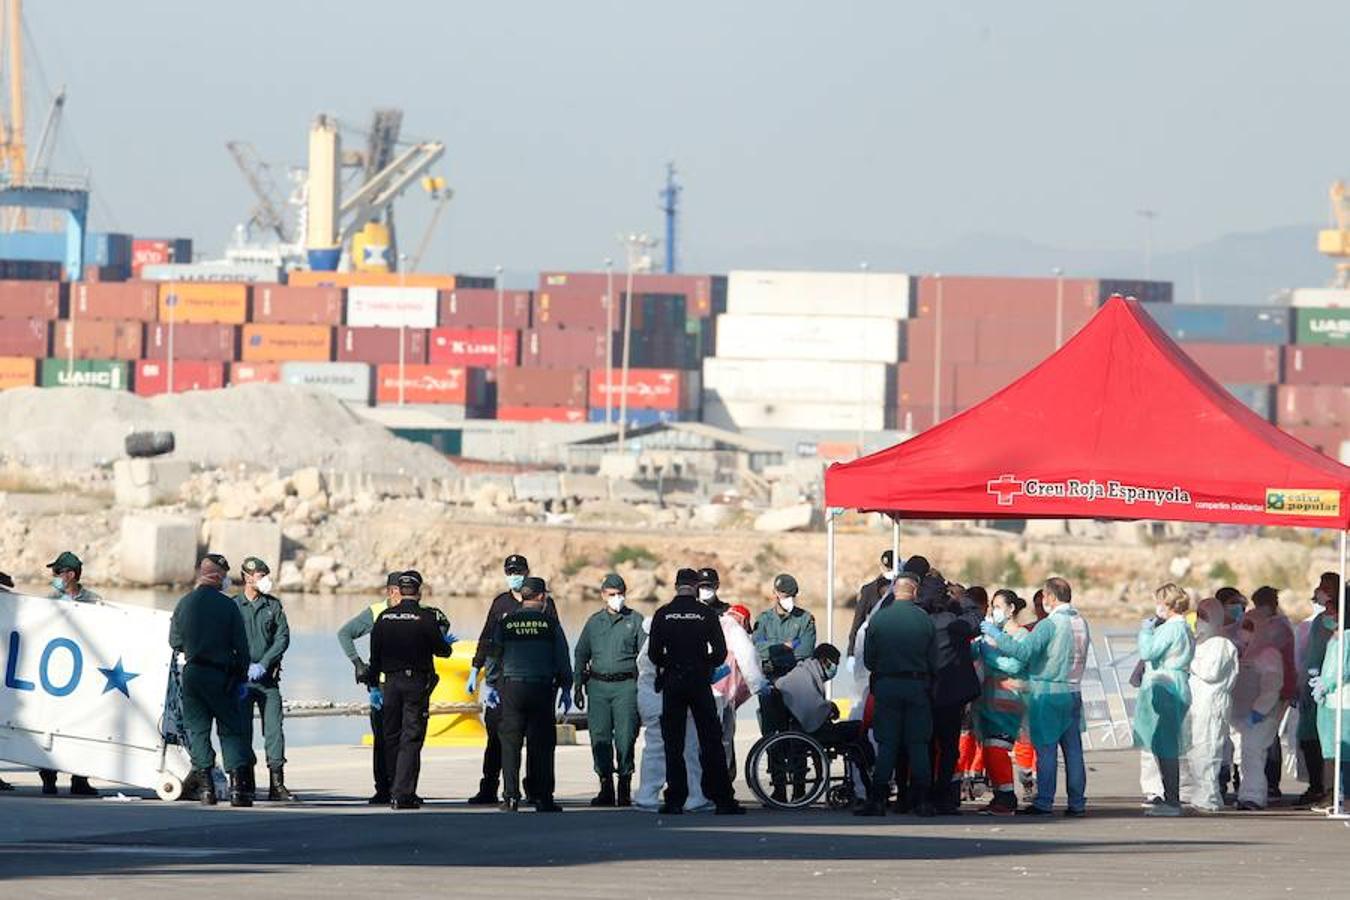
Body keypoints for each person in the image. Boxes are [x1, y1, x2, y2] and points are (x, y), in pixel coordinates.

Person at [982, 577, 1090, 817]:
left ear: (1050, 597)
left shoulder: (1049, 625)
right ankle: (1077, 802)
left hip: (1048, 692)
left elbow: (1023, 651)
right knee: (1073, 751)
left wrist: (994, 636)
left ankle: (1044, 802)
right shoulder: (1081, 622)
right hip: (1074, 690)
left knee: (1046, 749)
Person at [647, 568, 745, 815]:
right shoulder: (705, 613)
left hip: (673, 681)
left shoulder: (663, 614)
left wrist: (671, 664)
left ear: (676, 585)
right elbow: (721, 652)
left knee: (674, 743)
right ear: (694, 586)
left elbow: (653, 654)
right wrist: (704, 663)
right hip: (700, 682)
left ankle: (674, 801)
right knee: (711, 741)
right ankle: (723, 800)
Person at [466, 554, 558, 805]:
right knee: (498, 736)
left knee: (536, 738)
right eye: (510, 571)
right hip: (504, 683)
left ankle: (533, 790)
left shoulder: (545, 603)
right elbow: (487, 640)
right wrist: (477, 669)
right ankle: (489, 787)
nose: (514, 575)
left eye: (518, 571)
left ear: (527, 572)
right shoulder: (501, 604)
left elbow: (555, 640)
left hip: (536, 681)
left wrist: (560, 680)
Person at [169, 553, 253, 807]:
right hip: (222, 674)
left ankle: (206, 789)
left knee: (198, 731)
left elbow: (174, 641)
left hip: (193, 674)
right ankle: (238, 790)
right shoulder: (228, 606)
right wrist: (240, 676)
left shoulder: (184, 603)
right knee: (231, 730)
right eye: (225, 576)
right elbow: (242, 646)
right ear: (218, 576)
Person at [486, 576, 572, 813]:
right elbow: (562, 657)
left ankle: (510, 797)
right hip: (542, 689)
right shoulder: (550, 623)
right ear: (542, 597)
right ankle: (542, 797)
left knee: (510, 742)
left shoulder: (505, 623)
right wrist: (566, 686)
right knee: (541, 744)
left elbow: (493, 654)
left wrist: (491, 684)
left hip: (512, 688)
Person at [368, 571, 453, 810]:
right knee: (411, 738)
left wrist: (373, 686)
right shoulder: (425, 618)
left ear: (399, 590)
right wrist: (446, 643)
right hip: (416, 683)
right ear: (419, 591)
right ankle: (403, 793)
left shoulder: (384, 618)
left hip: (391, 684)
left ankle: (393, 786)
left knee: (391, 736)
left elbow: (374, 658)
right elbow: (442, 650)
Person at [855, 575, 937, 817]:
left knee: (888, 744)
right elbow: (934, 660)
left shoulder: (879, 619)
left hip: (887, 685)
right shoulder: (924, 620)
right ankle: (923, 800)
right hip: (917, 686)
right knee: (918, 744)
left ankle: (878, 799)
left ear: (895, 592)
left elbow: (869, 659)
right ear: (914, 592)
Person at [573, 573, 643, 807]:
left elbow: (646, 658)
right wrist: (577, 686)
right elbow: (581, 654)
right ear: (603, 595)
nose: (617, 598)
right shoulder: (594, 622)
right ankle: (605, 787)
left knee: (625, 737)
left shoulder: (636, 620)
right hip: (598, 687)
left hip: (626, 687)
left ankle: (624, 784)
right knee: (599, 737)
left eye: (620, 594)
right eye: (612, 594)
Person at [38, 551, 103, 797]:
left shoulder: (94, 602)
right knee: (47, 722)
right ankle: (48, 777)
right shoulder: (48, 602)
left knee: (84, 725)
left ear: (70, 575)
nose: (53, 577)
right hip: (53, 674)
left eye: (57, 572)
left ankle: (80, 779)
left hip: (84, 675)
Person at [337, 572, 403, 804]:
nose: (402, 595)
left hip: (406, 683)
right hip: (382, 686)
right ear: (390, 591)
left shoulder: (415, 610)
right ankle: (383, 788)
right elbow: (344, 634)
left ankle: (403, 787)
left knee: (406, 739)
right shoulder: (375, 612)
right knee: (383, 739)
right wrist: (358, 664)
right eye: (398, 590)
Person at [234, 556, 295, 803]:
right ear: (248, 577)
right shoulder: (233, 606)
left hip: (267, 680)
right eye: (261, 576)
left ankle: (277, 784)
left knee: (274, 731)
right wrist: (242, 665)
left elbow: (283, 638)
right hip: (240, 681)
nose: (265, 580)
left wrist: (265, 663)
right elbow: (226, 640)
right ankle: (244, 782)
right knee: (241, 731)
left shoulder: (273, 606)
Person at [1134, 583, 1195, 817]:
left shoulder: (1172, 628)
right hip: (1175, 681)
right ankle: (1171, 797)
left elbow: (1148, 652)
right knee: (1164, 742)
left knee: (1167, 744)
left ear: (1167, 604)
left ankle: (1172, 800)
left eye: (1159, 602)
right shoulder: (1183, 627)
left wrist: (1146, 632)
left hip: (1166, 684)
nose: (1156, 607)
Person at [926, 582, 983, 814]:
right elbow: (978, 617)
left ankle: (925, 795)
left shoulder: (921, 622)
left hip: (927, 692)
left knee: (927, 746)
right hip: (951, 696)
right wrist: (962, 598)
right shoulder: (954, 623)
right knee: (950, 748)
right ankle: (944, 795)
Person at [1229, 596, 1290, 810]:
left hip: (1261, 715)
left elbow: (1272, 686)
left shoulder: (1268, 654)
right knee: (1246, 756)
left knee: (1253, 754)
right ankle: (1247, 794)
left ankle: (1254, 796)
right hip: (1246, 715)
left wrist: (1258, 711)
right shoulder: (1246, 652)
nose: (1243, 631)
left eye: (1248, 627)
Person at [974, 589, 1029, 815]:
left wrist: (989, 654)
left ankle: (1006, 798)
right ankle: (1000, 795)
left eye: (997, 607)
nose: (993, 612)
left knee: (997, 749)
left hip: (1008, 702)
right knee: (989, 750)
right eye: (992, 607)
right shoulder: (993, 634)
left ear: (1011, 608)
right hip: (989, 701)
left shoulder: (1021, 636)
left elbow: (1016, 665)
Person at [1183, 596, 1240, 813]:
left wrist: (1189, 660)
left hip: (1213, 703)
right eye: (1198, 616)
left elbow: (1211, 672)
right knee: (1197, 749)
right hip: (1199, 703)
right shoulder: (1201, 643)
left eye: (1204, 617)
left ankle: (1209, 796)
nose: (1199, 621)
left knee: (1209, 749)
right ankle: (1201, 793)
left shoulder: (1222, 644)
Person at [1295, 574, 1339, 807]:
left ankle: (1329, 788)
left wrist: (1324, 681)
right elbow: (1310, 655)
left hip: (1330, 689)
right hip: (1314, 686)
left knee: (1330, 742)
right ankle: (1318, 785)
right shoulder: (1319, 622)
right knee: (1309, 738)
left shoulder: (1341, 631)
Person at [711, 595, 765, 784]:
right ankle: (721, 785)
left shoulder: (714, 624)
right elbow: (748, 659)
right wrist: (759, 686)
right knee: (723, 741)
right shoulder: (735, 629)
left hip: (702, 690)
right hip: (722, 694)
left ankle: (702, 787)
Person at [1312, 580, 1349, 809]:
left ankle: (1342, 797)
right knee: (1331, 752)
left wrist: (1325, 684)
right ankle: (1333, 794)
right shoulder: (1335, 637)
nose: (1327, 613)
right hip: (1331, 702)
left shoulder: (1346, 637)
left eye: (1331, 610)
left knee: (1343, 752)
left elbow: (1342, 670)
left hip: (1343, 702)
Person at [848, 550, 896, 669]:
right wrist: (851, 652)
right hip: (873, 644)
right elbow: (858, 620)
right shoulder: (869, 590)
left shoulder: (903, 588)